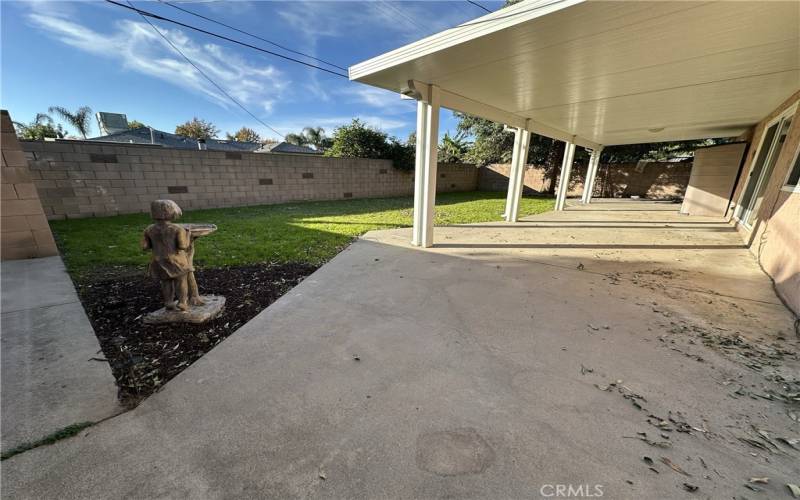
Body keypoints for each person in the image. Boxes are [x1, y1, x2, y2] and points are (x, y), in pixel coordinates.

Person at [141, 200, 192, 311]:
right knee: (181, 281)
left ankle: (168, 302)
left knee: (166, 282)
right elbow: (183, 246)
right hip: (176, 261)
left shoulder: (149, 229)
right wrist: (188, 234)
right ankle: (182, 302)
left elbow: (145, 247)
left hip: (158, 261)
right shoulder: (178, 229)